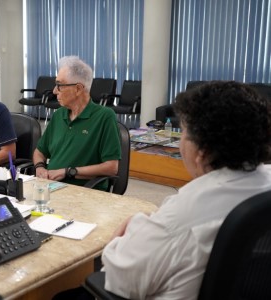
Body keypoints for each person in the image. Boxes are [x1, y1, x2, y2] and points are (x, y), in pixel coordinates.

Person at [56, 81, 271, 299]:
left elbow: (118, 277)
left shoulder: (184, 213)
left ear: (202, 152)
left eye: (184, 133)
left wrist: (123, 237)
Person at [33, 56, 121, 190]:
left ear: (78, 89)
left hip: (83, 191)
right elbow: (40, 151)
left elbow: (111, 167)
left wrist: (68, 171)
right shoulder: (58, 115)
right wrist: (40, 167)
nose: (54, 91)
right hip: (50, 187)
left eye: (59, 85)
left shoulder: (104, 117)